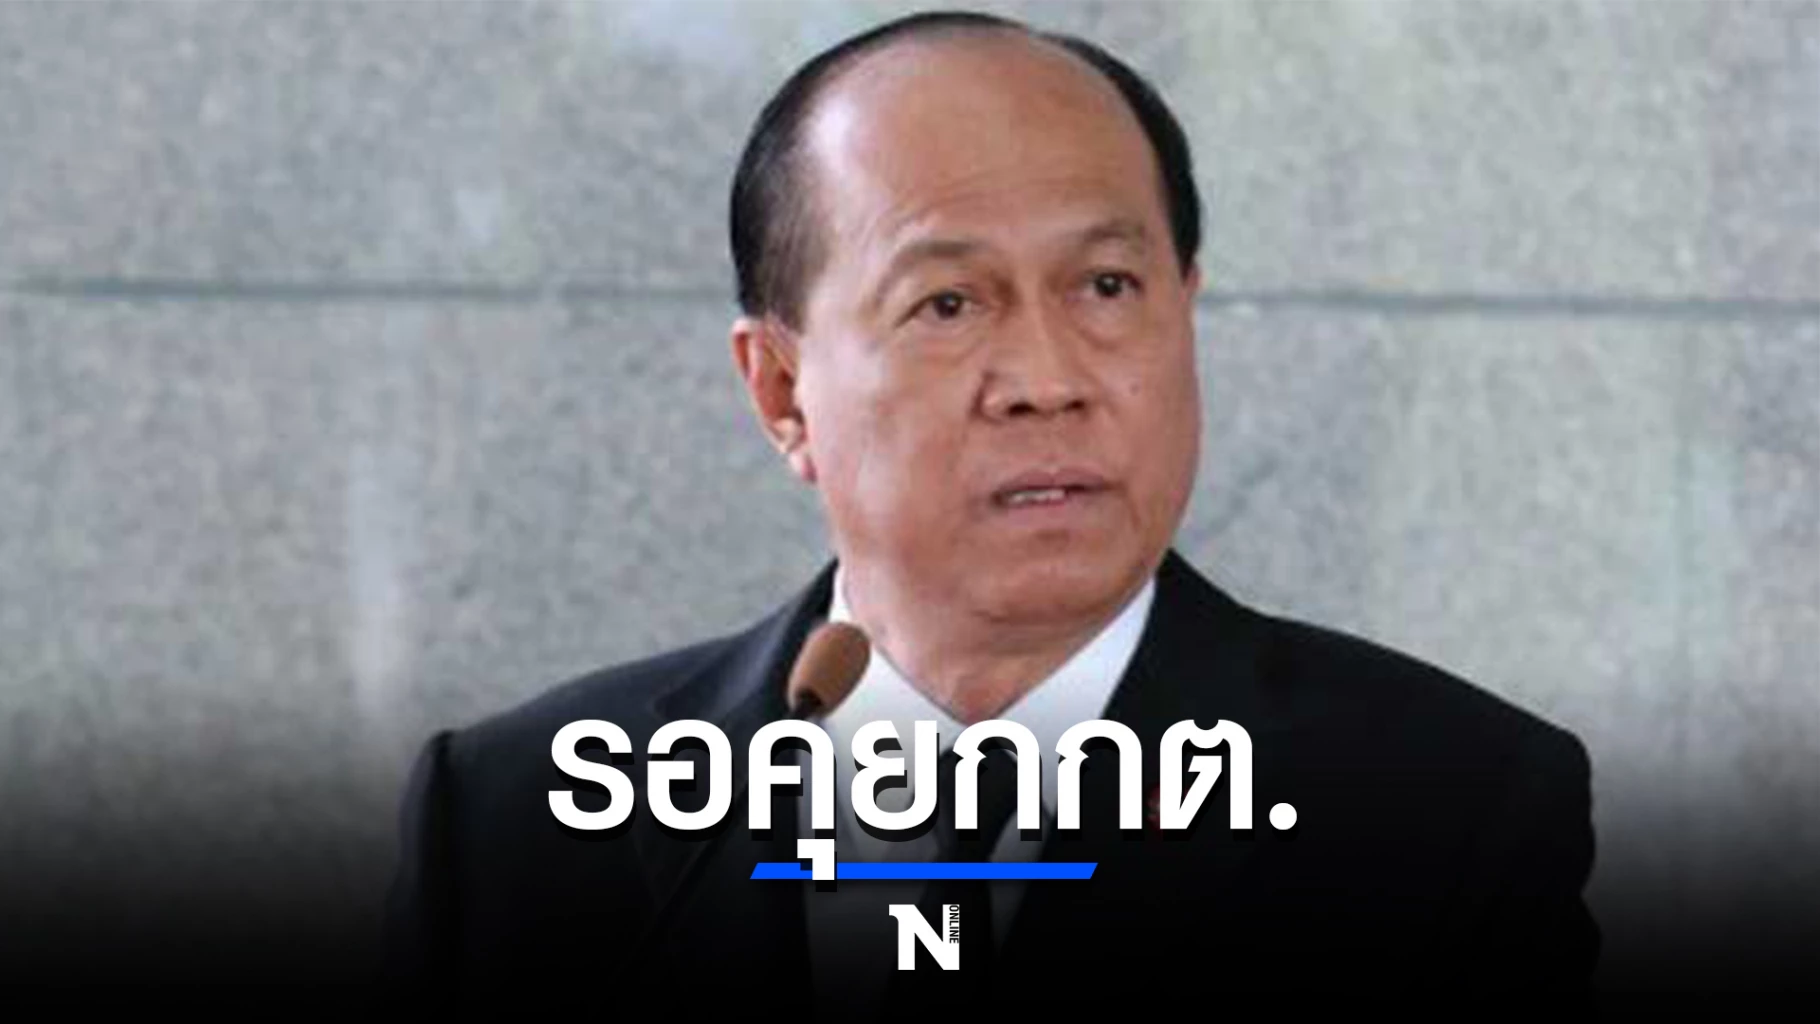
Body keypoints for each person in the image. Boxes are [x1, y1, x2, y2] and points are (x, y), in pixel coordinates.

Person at [385, 10, 1598, 1015]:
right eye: (948, 304)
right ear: (781, 393)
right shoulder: (515, 826)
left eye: (1106, 286)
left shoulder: (1445, 812)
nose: (1046, 379)